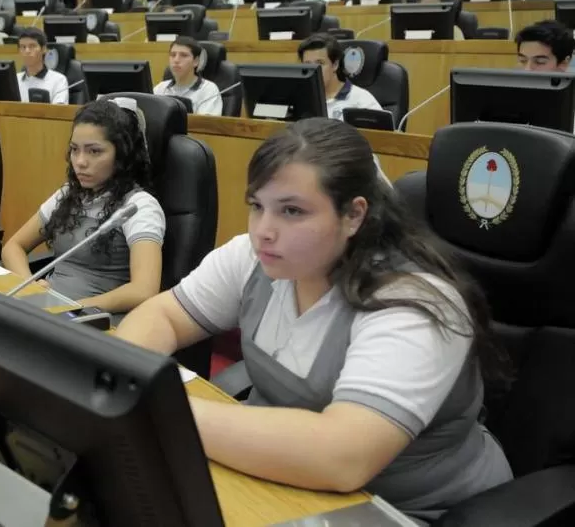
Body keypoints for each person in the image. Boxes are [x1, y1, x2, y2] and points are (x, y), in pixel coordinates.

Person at [114, 118, 513, 519]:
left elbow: (342, 456)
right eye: (257, 206)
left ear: (354, 215)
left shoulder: (413, 303)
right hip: (280, 482)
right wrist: (125, 379)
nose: (263, 231)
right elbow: (163, 315)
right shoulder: (255, 257)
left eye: (292, 210)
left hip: (408, 509)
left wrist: (162, 410)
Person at [1, 98, 165, 312]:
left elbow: (144, 290)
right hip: (47, 309)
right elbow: (13, 247)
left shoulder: (139, 206)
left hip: (94, 319)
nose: (80, 161)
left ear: (122, 155)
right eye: (74, 149)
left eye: (94, 151)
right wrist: (30, 287)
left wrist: (73, 307)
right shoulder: (70, 193)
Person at [297, 34, 383, 120]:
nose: (313, 70)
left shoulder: (361, 100)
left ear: (335, 65)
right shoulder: (300, 99)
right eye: (307, 64)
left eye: (320, 63)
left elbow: (383, 132)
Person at [153, 36, 222, 116]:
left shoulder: (208, 90)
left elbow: (205, 126)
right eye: (173, 55)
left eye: (183, 55)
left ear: (196, 61)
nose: (176, 60)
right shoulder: (160, 88)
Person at [15, 27, 70, 104]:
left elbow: (58, 113)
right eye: (23, 47)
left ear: (44, 49)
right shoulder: (14, 80)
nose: (27, 51)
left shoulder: (59, 80)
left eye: (32, 46)